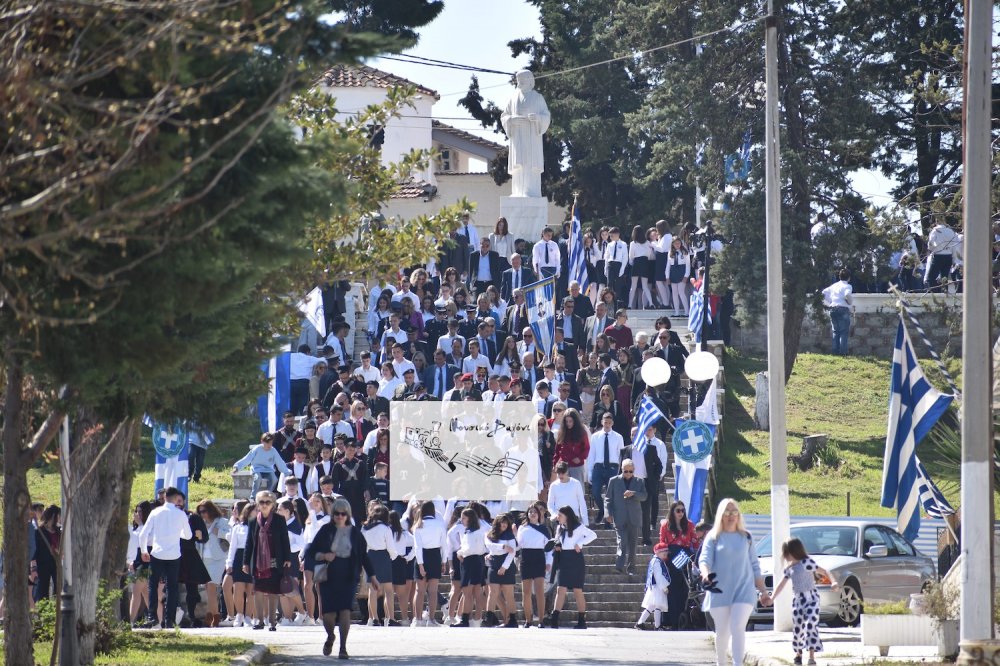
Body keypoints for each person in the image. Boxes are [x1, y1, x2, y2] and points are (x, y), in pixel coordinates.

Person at [698, 498, 772, 666]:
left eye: (734, 512)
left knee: (738, 626)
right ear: (720, 515)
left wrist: (763, 592)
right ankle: (721, 662)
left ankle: (738, 663)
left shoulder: (746, 537)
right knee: (723, 632)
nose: (731, 516)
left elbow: (755, 566)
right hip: (719, 591)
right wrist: (706, 575)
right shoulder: (713, 537)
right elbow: (704, 560)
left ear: (738, 515)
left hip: (744, 590)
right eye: (727, 512)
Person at [307, 498, 378, 659]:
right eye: (337, 513)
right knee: (328, 614)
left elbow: (363, 556)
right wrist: (324, 555)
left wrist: (372, 576)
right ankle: (330, 636)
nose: (340, 516)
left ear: (348, 514)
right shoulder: (325, 530)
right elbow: (311, 551)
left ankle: (343, 647)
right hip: (327, 576)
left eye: (343, 514)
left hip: (348, 576)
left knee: (345, 610)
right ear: (333, 514)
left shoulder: (355, 533)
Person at [771, 538, 837, 666]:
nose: (785, 556)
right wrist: (772, 598)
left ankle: (811, 656)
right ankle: (798, 654)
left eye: (787, 552)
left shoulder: (807, 562)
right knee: (798, 628)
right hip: (798, 600)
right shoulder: (789, 569)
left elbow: (825, 571)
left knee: (810, 625)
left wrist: (833, 582)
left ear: (794, 551)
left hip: (812, 598)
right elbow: (781, 585)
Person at [138, 487, 192, 629]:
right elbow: (188, 536)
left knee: (153, 585)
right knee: (172, 587)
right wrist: (176, 533)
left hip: (157, 553)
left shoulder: (155, 512)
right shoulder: (180, 514)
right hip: (174, 555)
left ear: (165, 497)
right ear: (175, 499)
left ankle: (152, 617)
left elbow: (143, 533)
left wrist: (144, 550)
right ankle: (170, 620)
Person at [243, 490, 292, 631]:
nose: (264, 505)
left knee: (273, 591)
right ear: (258, 505)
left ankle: (272, 621)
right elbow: (249, 543)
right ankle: (259, 620)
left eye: (267, 502)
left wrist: (288, 558)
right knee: (258, 590)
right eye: (261, 502)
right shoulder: (253, 522)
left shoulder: (279, 520)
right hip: (258, 561)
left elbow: (285, 540)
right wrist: (246, 562)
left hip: (275, 560)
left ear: (273, 505)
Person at [544, 506, 596, 629]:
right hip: (563, 559)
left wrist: (580, 543)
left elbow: (593, 535)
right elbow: (559, 541)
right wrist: (557, 545)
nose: (558, 517)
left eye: (560, 515)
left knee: (577, 590)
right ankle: (554, 618)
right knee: (560, 589)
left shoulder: (578, 527)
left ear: (567, 516)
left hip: (575, 559)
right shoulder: (559, 528)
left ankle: (582, 621)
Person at [659, 500, 698, 629]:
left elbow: (695, 542)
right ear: (672, 511)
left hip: (685, 557)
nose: (681, 513)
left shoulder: (690, 525)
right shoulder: (666, 525)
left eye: (683, 510)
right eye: (678, 510)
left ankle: (684, 618)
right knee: (673, 589)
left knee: (685, 589)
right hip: (672, 557)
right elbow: (662, 544)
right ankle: (672, 620)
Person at [604, 459, 647, 576]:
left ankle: (631, 568)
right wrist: (608, 513)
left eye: (630, 471)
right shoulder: (613, 481)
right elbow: (608, 498)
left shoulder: (639, 481)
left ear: (633, 470)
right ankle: (619, 566)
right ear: (621, 470)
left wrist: (634, 493)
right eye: (625, 471)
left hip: (634, 517)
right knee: (622, 541)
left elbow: (644, 496)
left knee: (633, 545)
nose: (628, 473)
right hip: (619, 517)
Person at [412, 500, 449, 627]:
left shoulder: (418, 525)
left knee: (419, 590)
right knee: (433, 591)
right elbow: (444, 545)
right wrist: (444, 561)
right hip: (435, 556)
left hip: (422, 556)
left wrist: (421, 565)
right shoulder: (439, 524)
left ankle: (418, 620)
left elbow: (417, 547)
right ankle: (431, 619)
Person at [361, 503, 397, 626]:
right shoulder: (386, 528)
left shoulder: (365, 528)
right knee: (388, 590)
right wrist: (393, 557)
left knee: (372, 590)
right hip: (383, 556)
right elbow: (391, 547)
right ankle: (390, 618)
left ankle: (374, 619)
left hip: (370, 556)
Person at [451, 507, 488, 627]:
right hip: (475, 561)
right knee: (477, 592)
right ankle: (478, 618)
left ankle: (465, 619)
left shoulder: (473, 532)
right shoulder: (472, 531)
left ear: (470, 518)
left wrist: (459, 553)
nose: (461, 520)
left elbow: (471, 548)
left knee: (468, 592)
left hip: (471, 562)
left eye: (463, 518)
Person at [517, 504, 552, 628]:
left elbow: (549, 549)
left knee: (539, 591)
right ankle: (528, 620)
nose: (532, 514)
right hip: (526, 558)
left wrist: (548, 563)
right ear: (527, 514)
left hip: (539, 558)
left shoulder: (543, 529)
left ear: (539, 515)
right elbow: (519, 545)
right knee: (526, 592)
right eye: (530, 512)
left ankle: (541, 620)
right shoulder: (522, 528)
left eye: (535, 512)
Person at [197, 500, 230, 627]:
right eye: (200, 512)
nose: (203, 514)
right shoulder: (202, 524)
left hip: (218, 559)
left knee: (211, 588)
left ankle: (212, 616)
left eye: (204, 511)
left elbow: (230, 535)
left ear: (211, 510)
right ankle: (214, 614)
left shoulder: (222, 522)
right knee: (208, 588)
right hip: (204, 558)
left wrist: (219, 532)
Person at [586, 412, 623, 529]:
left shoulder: (618, 437)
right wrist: (590, 472)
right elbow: (591, 455)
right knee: (595, 492)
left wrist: (619, 471)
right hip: (598, 467)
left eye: (609, 422)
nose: (607, 424)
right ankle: (602, 510)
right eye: (605, 422)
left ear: (612, 423)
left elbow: (620, 455)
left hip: (612, 467)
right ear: (602, 422)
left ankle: (608, 520)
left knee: (609, 495)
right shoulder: (595, 436)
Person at [485, 513, 519, 628]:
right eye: (501, 522)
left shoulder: (510, 535)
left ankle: (512, 620)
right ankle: (488, 618)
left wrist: (504, 567)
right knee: (492, 592)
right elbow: (490, 546)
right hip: (494, 564)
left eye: (506, 522)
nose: (504, 524)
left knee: (508, 594)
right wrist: (503, 547)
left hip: (507, 566)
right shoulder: (489, 534)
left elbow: (512, 552)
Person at [225, 501, 257, 628]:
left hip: (253, 558)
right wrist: (229, 563)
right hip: (239, 557)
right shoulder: (238, 527)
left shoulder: (259, 527)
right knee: (238, 588)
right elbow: (232, 547)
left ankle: (248, 617)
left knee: (251, 590)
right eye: (255, 511)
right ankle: (239, 614)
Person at [233, 433, 292, 498]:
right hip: (256, 469)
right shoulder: (257, 449)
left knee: (274, 479)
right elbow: (247, 458)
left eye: (271, 443)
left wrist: (286, 471)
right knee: (258, 478)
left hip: (268, 469)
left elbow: (279, 461)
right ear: (262, 441)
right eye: (267, 443)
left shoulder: (273, 450)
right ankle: (253, 497)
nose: (269, 445)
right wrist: (237, 467)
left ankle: (267, 495)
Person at [126, 501, 153, 625]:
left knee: (137, 592)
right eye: (136, 511)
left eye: (141, 511)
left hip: (146, 562)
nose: (138, 514)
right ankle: (156, 619)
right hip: (138, 562)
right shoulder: (137, 527)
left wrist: (141, 524)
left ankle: (131, 621)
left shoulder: (148, 526)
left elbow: (145, 540)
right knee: (145, 593)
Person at [635, 542, 671, 630]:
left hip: (655, 587)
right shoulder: (657, 562)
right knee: (658, 606)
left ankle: (640, 623)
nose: (666, 554)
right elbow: (658, 576)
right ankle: (657, 626)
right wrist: (664, 587)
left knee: (651, 606)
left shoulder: (657, 561)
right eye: (664, 552)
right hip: (657, 587)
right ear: (658, 552)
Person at [388, 510, 415, 626]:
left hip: (388, 562)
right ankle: (404, 619)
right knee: (402, 594)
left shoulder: (386, 532)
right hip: (400, 562)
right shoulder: (404, 533)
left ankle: (389, 618)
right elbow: (416, 544)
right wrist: (408, 557)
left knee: (388, 593)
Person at [553, 408, 590, 486]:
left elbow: (586, 448)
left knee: (577, 488)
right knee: (562, 488)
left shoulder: (582, 432)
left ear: (575, 421)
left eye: (570, 421)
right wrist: (555, 463)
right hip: (563, 465)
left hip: (576, 466)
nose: (568, 423)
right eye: (566, 421)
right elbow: (557, 449)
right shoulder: (562, 432)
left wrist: (580, 458)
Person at [31, 505, 61, 602]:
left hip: (55, 563)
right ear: (53, 516)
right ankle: (44, 612)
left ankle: (57, 610)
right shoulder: (39, 532)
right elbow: (34, 551)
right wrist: (33, 568)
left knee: (58, 588)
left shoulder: (58, 531)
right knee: (43, 590)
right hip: (42, 564)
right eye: (59, 515)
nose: (60, 518)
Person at [821, 268, 854, 355]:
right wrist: (850, 302)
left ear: (839, 277)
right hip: (843, 308)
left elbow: (823, 292)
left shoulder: (834, 285)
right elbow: (847, 295)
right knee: (844, 332)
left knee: (836, 331)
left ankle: (835, 352)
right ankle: (843, 353)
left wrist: (830, 301)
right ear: (849, 278)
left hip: (832, 308)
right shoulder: (848, 286)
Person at [546, 461, 588, 526]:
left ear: (567, 471)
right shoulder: (553, 485)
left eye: (563, 473)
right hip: (559, 519)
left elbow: (582, 503)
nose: (560, 475)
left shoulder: (576, 483)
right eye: (559, 473)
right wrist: (554, 514)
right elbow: (550, 504)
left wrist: (585, 522)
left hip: (574, 518)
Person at [603, 227, 628, 309]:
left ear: (617, 234)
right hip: (611, 264)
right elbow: (606, 257)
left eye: (612, 235)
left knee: (618, 285)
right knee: (609, 284)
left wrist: (622, 269)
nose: (611, 237)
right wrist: (606, 268)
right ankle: (608, 302)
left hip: (618, 264)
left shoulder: (623, 244)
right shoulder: (610, 244)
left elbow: (625, 257)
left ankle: (617, 303)